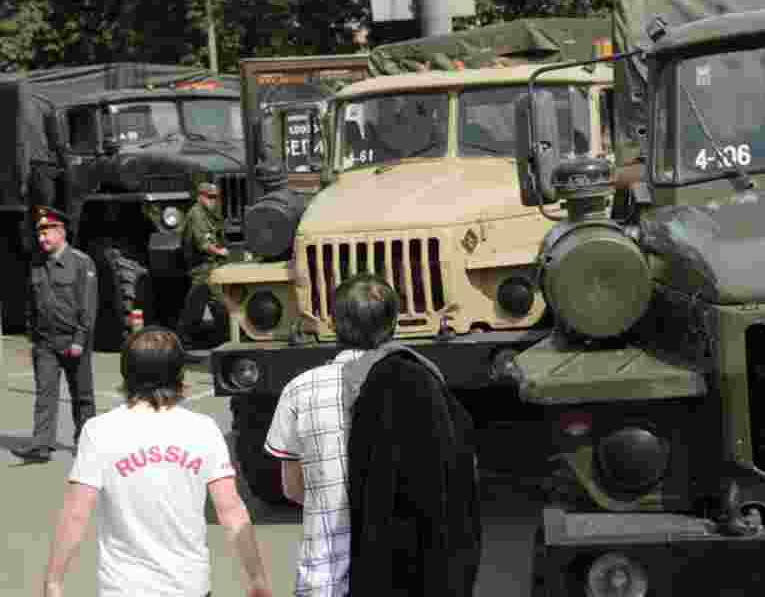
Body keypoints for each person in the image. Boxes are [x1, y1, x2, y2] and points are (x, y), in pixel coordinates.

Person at [264, 274, 480, 597]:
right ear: (393, 325)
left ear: (333, 324)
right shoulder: (422, 382)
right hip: (399, 575)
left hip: (326, 574)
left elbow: (293, 488)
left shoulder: (299, 390)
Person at [40, 327, 272, 597]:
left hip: (123, 588)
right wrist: (256, 576)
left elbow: (76, 513)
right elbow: (230, 510)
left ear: (126, 373)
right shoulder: (202, 429)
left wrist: (54, 581)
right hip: (189, 586)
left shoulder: (99, 430)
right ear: (178, 374)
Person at [12, 206, 98, 463]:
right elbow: (31, 302)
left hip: (73, 339)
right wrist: (33, 339)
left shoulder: (82, 263)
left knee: (82, 395)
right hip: (45, 342)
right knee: (45, 394)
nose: (41, 239)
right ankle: (41, 446)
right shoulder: (37, 263)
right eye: (39, 234)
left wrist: (80, 339)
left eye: (46, 233)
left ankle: (87, 443)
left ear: (61, 232)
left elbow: (88, 305)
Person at [177, 181, 229, 349]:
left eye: (216, 197)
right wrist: (220, 252)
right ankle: (223, 336)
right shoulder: (197, 215)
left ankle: (219, 335)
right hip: (202, 266)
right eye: (211, 197)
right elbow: (203, 244)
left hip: (209, 265)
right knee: (214, 301)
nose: (214, 201)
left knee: (200, 303)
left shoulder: (207, 213)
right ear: (201, 197)